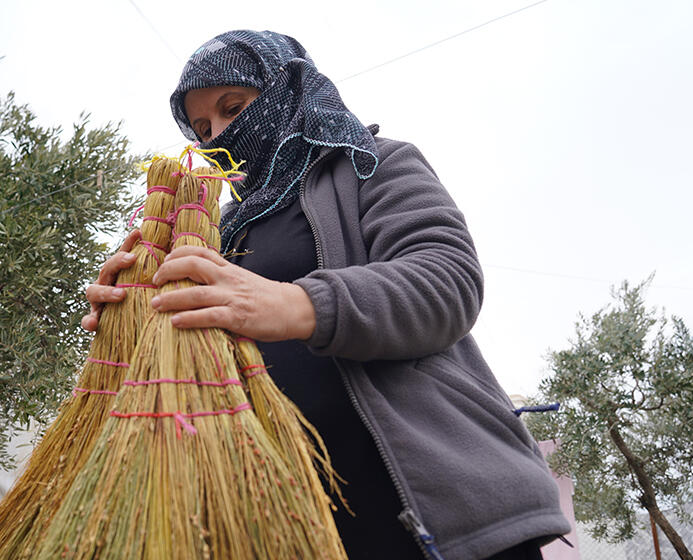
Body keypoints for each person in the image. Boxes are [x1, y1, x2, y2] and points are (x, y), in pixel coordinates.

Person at [83, 30, 570, 560]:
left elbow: (447, 279)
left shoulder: (371, 163)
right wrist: (138, 316)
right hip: (292, 527)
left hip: (434, 522)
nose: (220, 133)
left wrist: (293, 305)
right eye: (203, 127)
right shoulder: (217, 233)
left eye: (233, 106)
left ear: (287, 87)